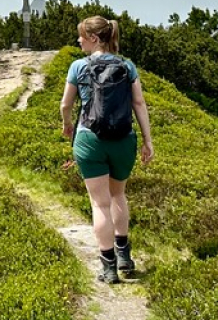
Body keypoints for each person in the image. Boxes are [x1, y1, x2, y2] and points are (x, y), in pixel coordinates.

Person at [60, 15, 154, 284]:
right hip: (123, 139)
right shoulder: (127, 66)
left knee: (100, 203)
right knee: (118, 196)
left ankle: (109, 267)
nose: (78, 40)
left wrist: (68, 125)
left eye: (81, 36)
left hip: (90, 139)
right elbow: (139, 103)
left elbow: (66, 105)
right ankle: (124, 255)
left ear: (92, 38)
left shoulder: (78, 67)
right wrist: (148, 141)